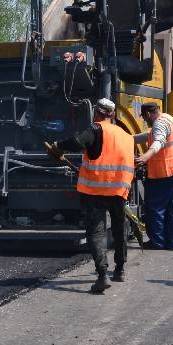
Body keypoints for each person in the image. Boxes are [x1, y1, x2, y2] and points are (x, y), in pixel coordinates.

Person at [52, 98, 135, 294]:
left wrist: (57, 144)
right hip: (119, 191)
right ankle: (120, 270)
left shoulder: (96, 129)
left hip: (95, 191)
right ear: (113, 114)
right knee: (119, 229)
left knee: (96, 233)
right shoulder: (126, 136)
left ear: (96, 112)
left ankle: (102, 275)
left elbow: (77, 142)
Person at [135, 101, 173, 250]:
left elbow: (158, 140)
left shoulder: (158, 124)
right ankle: (172, 243)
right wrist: (130, 139)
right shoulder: (168, 118)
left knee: (155, 207)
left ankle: (157, 242)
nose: (145, 120)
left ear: (147, 114)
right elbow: (151, 134)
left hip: (166, 173)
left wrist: (146, 156)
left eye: (144, 118)